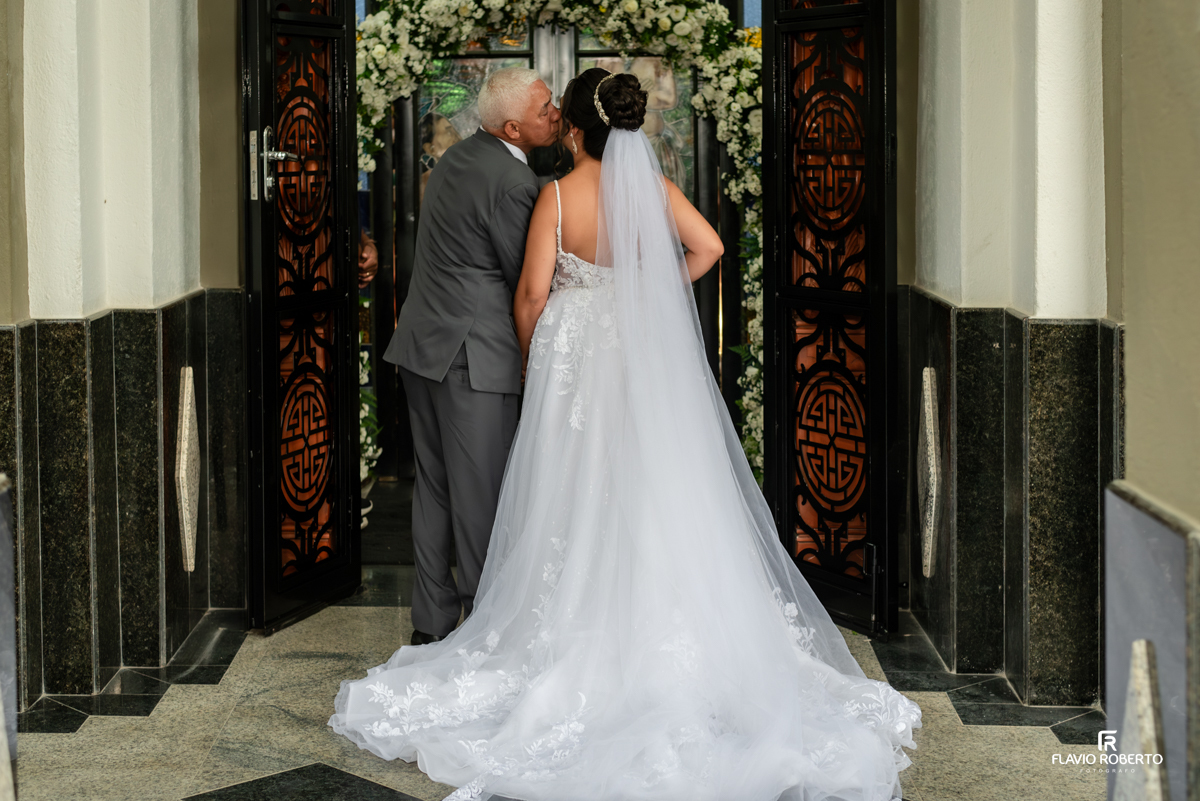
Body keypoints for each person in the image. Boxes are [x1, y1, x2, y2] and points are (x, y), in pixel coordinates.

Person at [333, 68, 920, 801]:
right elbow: (708, 250)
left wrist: (534, 353)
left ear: (576, 131)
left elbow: (534, 294)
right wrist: (645, 292)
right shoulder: (654, 194)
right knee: (650, 487)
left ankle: (538, 625)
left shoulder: (555, 194)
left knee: (571, 495)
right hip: (636, 357)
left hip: (575, 363)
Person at [380, 67, 561, 647]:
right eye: (543, 109)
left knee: (433, 488)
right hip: (472, 358)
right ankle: (485, 635)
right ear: (512, 125)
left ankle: (432, 627)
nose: (554, 114)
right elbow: (526, 284)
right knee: (482, 499)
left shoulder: (454, 159)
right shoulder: (514, 183)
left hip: (421, 348)